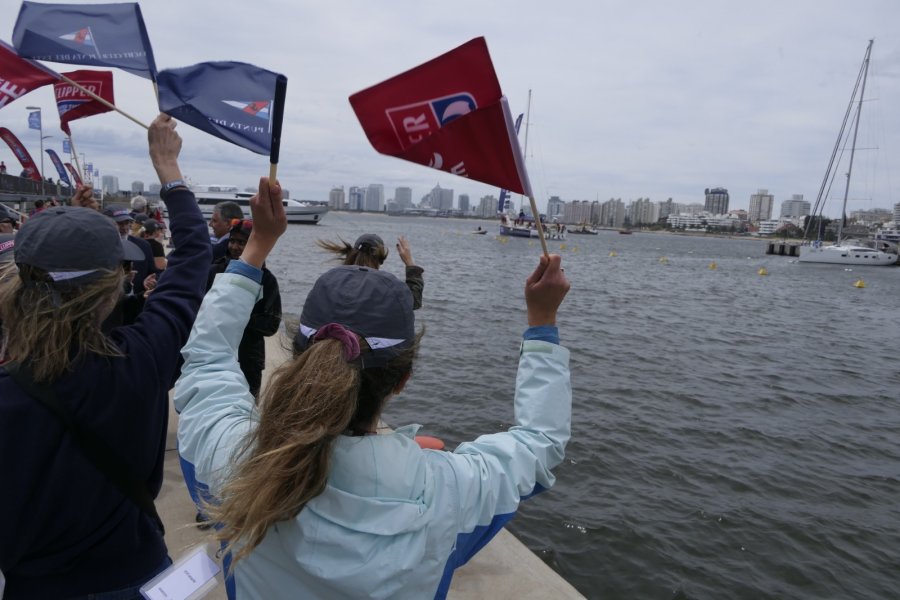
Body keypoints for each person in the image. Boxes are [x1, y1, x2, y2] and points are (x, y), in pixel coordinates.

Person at [175, 183, 571, 599]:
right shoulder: (450, 492)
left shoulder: (232, 460)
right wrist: (542, 322)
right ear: (402, 380)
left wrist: (257, 245)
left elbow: (206, 361)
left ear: (298, 358)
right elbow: (539, 443)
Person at [0, 114, 211, 598]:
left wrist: (72, 224)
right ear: (110, 288)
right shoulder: (143, 360)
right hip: (134, 571)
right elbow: (193, 256)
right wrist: (169, 170)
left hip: (36, 586)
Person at [207, 218, 281, 398]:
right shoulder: (215, 270)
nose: (234, 247)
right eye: (232, 241)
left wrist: (238, 317)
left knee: (245, 408)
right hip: (213, 352)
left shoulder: (267, 280)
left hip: (249, 358)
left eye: (242, 242)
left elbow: (271, 324)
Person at [316, 233, 424, 309]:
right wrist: (409, 263)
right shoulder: (385, 287)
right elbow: (413, 302)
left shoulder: (332, 279)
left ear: (352, 254)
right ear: (381, 260)